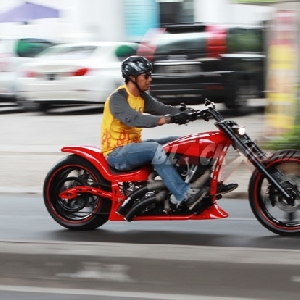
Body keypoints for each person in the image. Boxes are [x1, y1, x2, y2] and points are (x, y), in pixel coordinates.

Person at [101, 55, 237, 210]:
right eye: (146, 76)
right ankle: (183, 194)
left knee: (179, 142)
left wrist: (193, 112)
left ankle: (207, 184)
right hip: (116, 154)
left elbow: (164, 109)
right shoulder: (117, 98)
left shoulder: (141, 97)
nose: (150, 79)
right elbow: (135, 119)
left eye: (150, 75)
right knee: (154, 149)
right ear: (132, 78)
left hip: (133, 147)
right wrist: (167, 119)